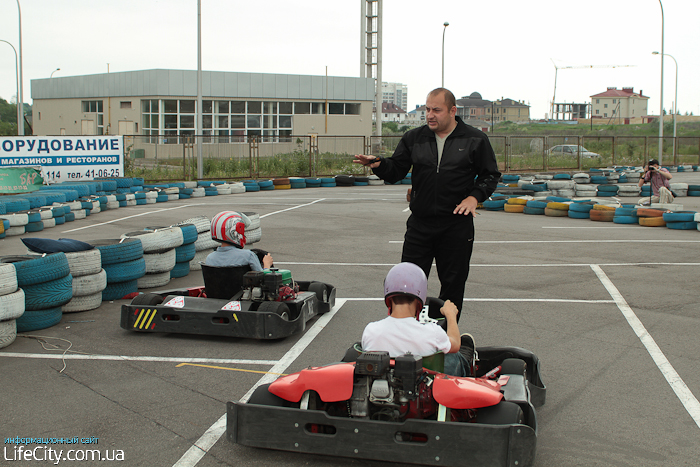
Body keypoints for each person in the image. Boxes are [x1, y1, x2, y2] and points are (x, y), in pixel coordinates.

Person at [354, 88, 500, 320]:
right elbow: (396, 170)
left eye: (436, 110)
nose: (430, 115)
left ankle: (444, 335)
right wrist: (379, 165)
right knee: (407, 282)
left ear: (452, 111)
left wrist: (474, 197)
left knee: (453, 284)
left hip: (456, 225)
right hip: (420, 225)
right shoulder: (414, 138)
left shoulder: (474, 139)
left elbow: (490, 175)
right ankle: (406, 331)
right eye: (427, 109)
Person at [361, 262, 475, 377]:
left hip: (382, 388)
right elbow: (455, 344)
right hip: (423, 389)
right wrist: (450, 315)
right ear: (420, 299)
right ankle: (466, 363)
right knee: (452, 356)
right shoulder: (432, 332)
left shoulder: (371, 331)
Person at [205, 211, 273, 270]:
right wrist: (267, 265)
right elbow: (262, 278)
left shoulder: (210, 258)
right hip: (240, 285)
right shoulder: (248, 255)